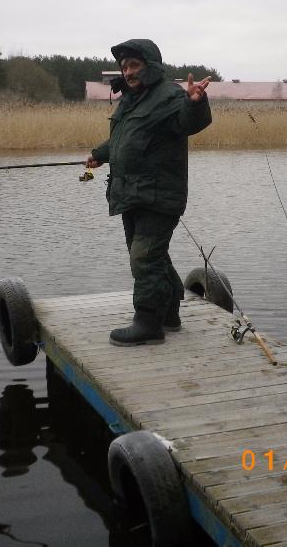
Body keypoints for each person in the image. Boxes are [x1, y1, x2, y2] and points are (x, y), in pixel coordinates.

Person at [86, 39, 212, 346]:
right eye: (124, 67)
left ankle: (147, 323)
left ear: (150, 66)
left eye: (135, 65)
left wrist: (195, 102)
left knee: (144, 257)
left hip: (159, 196)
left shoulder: (169, 95)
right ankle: (169, 313)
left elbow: (189, 120)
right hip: (131, 194)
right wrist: (100, 154)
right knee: (151, 256)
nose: (128, 72)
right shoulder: (131, 99)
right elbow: (125, 140)